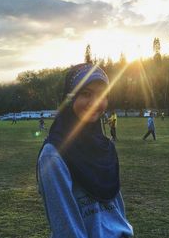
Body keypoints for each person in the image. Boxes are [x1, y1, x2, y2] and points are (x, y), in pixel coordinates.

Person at [36, 63, 133, 237]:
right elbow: (67, 229)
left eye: (102, 95)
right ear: (70, 98)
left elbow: (118, 211)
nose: (95, 103)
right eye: (85, 94)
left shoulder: (106, 147)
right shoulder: (54, 156)